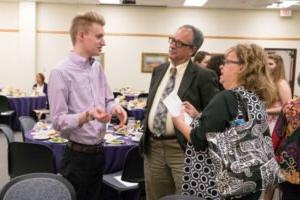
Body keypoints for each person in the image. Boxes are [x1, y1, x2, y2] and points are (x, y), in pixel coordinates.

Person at [172, 43, 277, 200]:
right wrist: (199, 116)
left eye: (227, 61)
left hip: (218, 186)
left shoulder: (226, 98)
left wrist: (178, 121)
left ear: (242, 67)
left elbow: (198, 140)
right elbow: (234, 126)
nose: (222, 66)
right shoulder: (253, 96)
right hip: (249, 182)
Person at [48, 11, 127, 200]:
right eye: (99, 36)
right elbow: (58, 121)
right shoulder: (60, 72)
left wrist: (115, 108)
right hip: (76, 158)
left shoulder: (96, 67)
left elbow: (107, 100)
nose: (104, 42)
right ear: (81, 36)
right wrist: (88, 115)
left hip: (99, 153)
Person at [140, 24, 220, 200]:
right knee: (155, 196)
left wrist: (198, 115)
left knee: (183, 197)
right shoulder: (159, 70)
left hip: (182, 148)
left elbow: (213, 116)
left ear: (192, 50)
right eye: (172, 40)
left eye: (179, 43)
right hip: (153, 148)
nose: (173, 45)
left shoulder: (204, 76)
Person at [272, 74, 300, 200]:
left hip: (289, 162)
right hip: (290, 162)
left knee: (289, 195)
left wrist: (271, 155)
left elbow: (278, 134)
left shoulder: (290, 105)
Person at [266, 53, 292, 133]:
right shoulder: (269, 82)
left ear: (278, 66)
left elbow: (288, 107)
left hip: (276, 123)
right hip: (267, 121)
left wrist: (265, 111)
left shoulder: (281, 83)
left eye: (270, 64)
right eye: (266, 64)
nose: (267, 66)